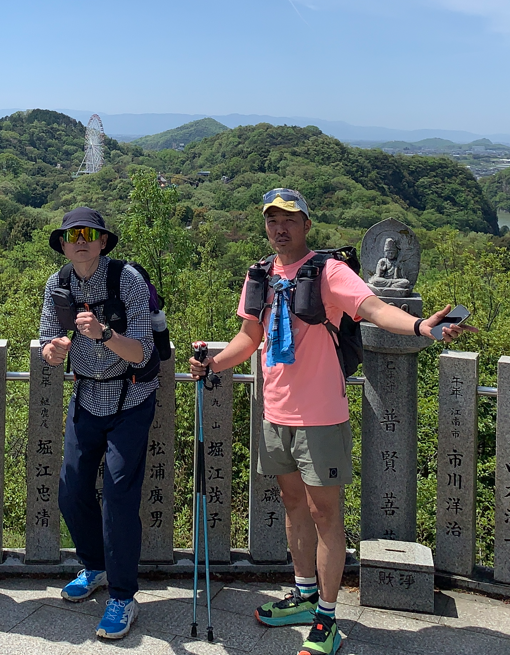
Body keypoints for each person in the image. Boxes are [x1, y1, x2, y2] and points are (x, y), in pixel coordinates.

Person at [187, 188, 476, 655]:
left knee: (325, 514)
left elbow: (375, 309)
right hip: (275, 409)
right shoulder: (258, 274)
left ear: (305, 224)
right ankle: (302, 595)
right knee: (293, 505)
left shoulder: (329, 272)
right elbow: (248, 338)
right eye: (272, 220)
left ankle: (326, 616)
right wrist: (213, 363)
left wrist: (424, 327)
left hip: (320, 414)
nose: (279, 228)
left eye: (289, 219)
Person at [40, 207, 158, 641]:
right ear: (64, 244)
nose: (81, 240)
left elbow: (142, 353)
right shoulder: (59, 284)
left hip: (131, 396)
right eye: (73, 235)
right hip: (87, 395)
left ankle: (123, 596)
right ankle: (94, 566)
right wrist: (52, 351)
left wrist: (103, 334)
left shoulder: (126, 279)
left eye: (90, 233)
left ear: (104, 241)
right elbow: (49, 339)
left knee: (119, 495)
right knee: (71, 491)